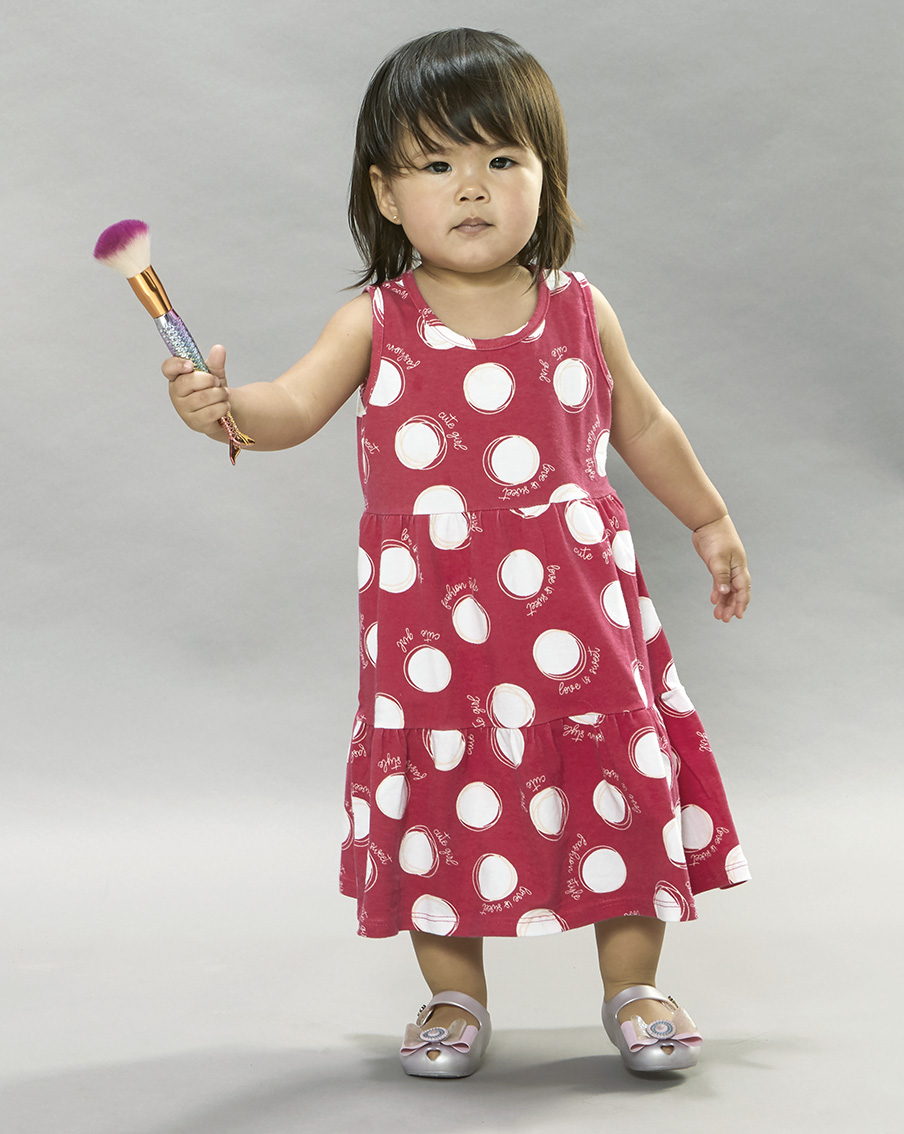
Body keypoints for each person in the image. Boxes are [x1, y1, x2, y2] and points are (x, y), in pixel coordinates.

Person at [163, 27, 751, 1079]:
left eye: (500, 158)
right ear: (387, 195)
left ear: (545, 176)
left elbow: (645, 423)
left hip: (577, 620)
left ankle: (636, 986)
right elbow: (289, 406)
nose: (470, 187)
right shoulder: (375, 321)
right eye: (436, 164)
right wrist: (224, 411)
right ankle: (452, 995)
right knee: (439, 790)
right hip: (437, 631)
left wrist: (708, 519)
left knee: (614, 773)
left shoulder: (579, 308)